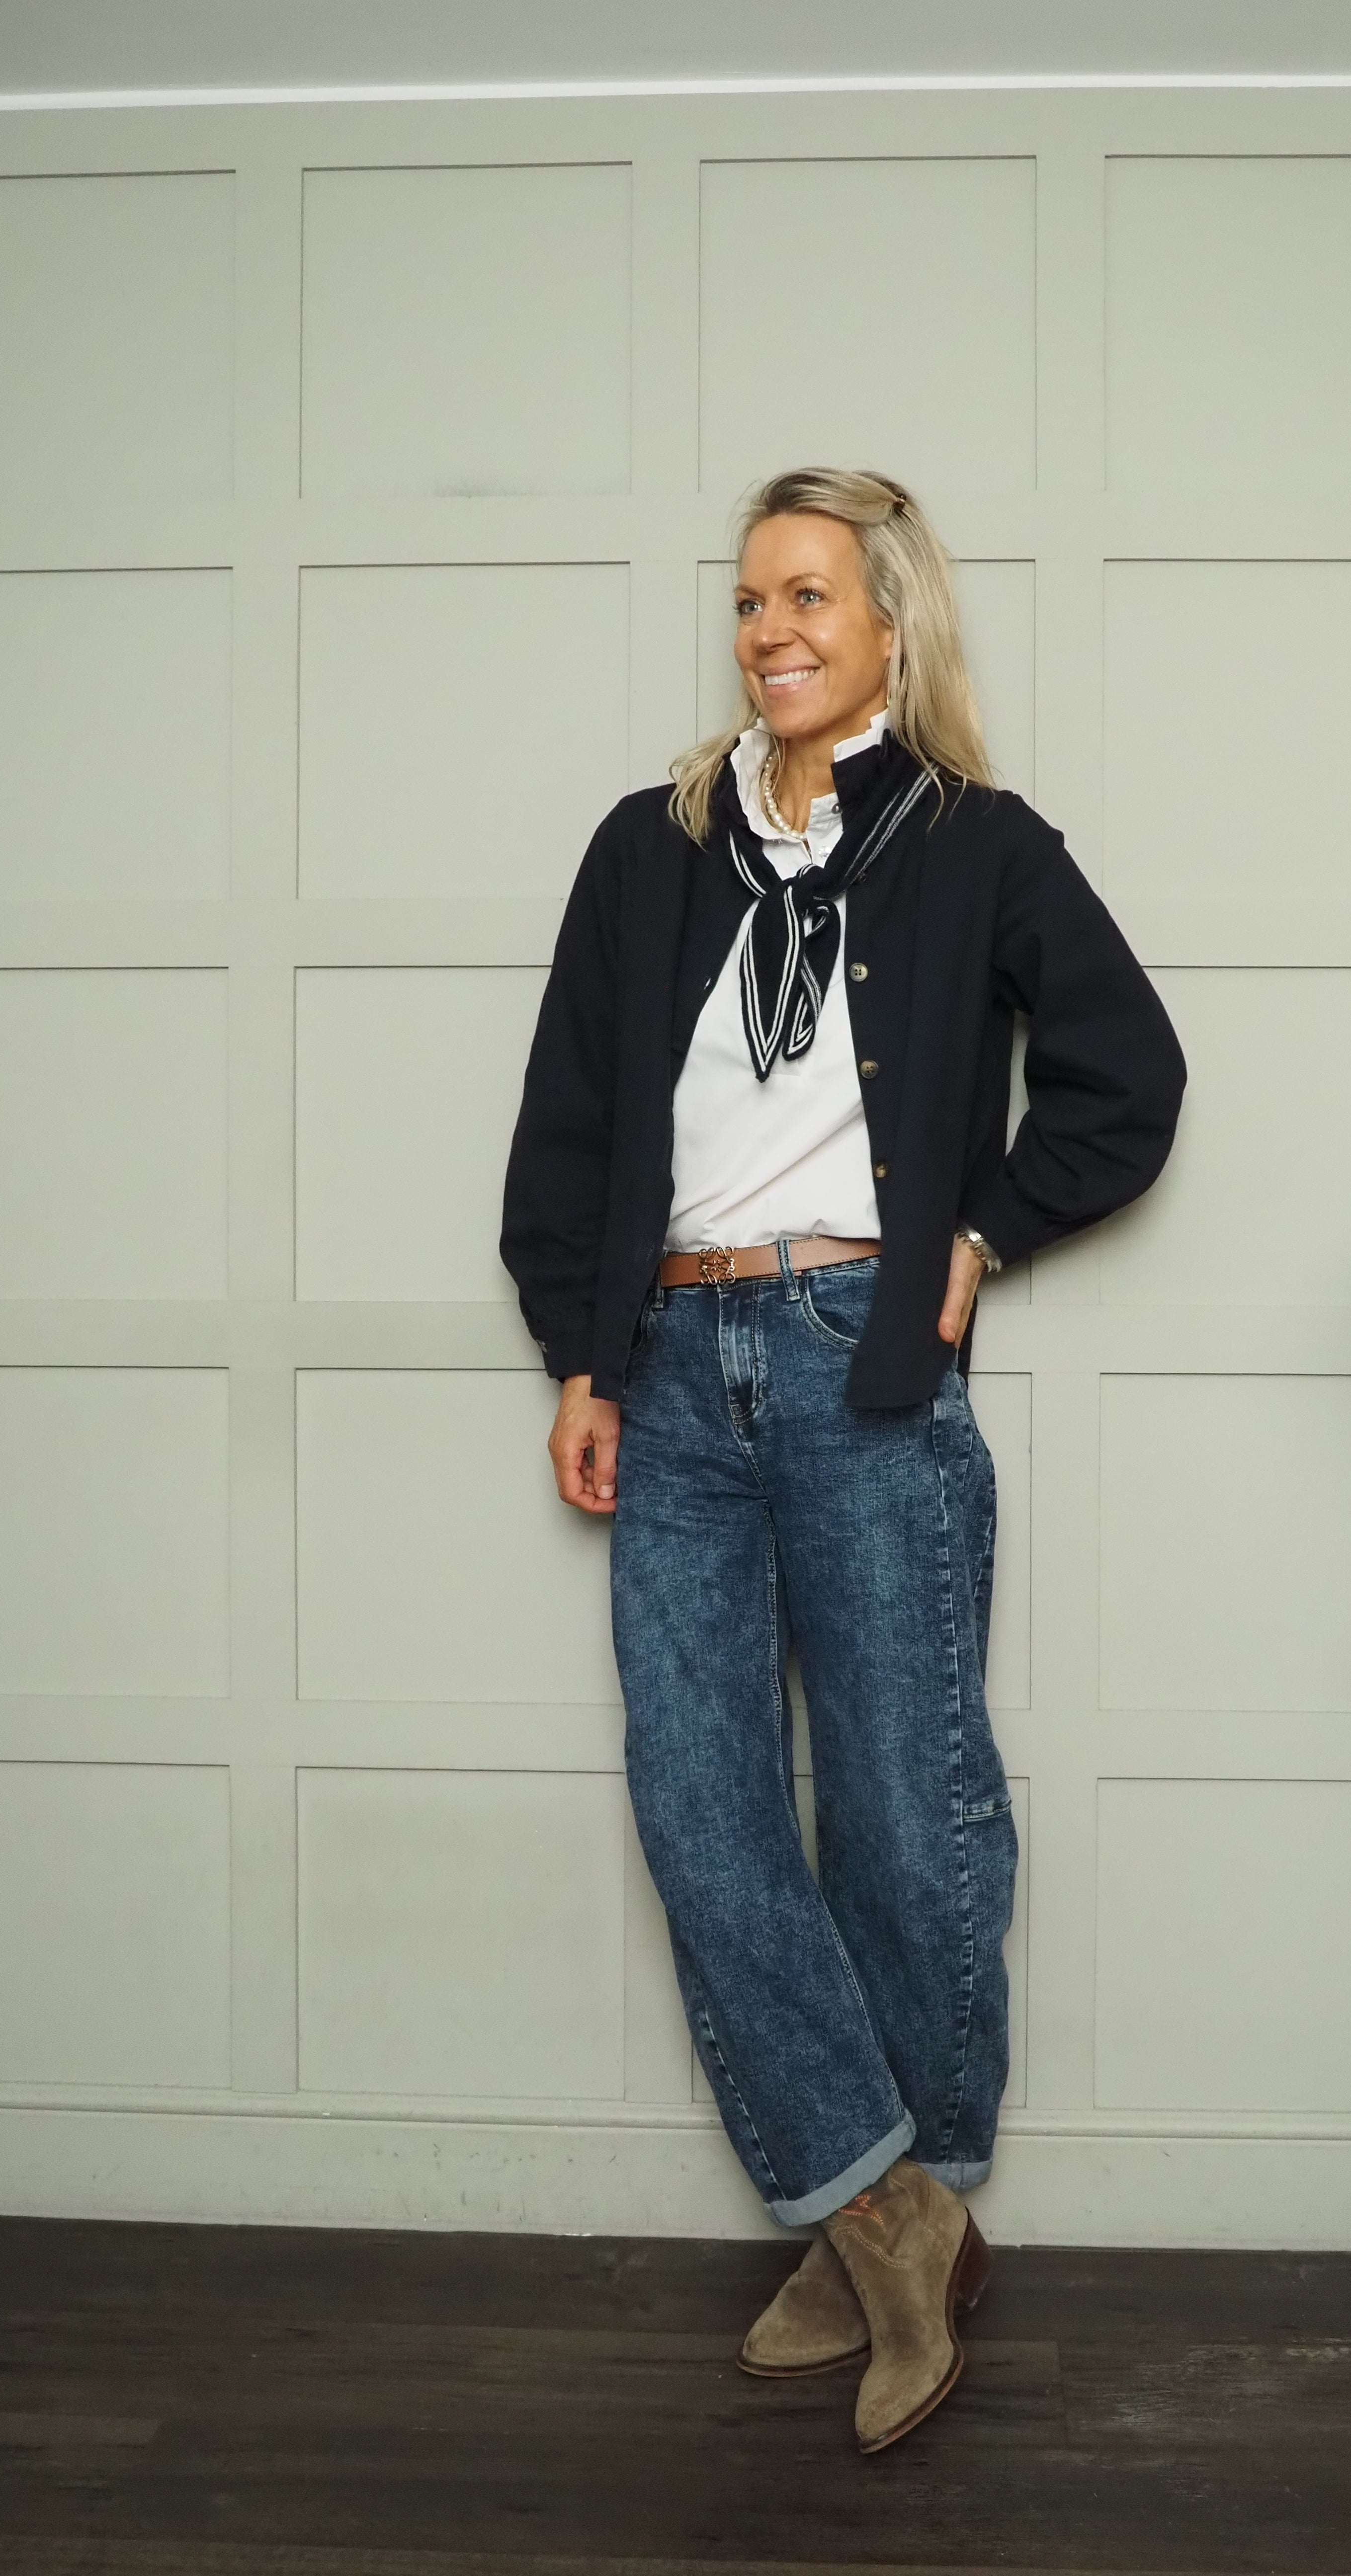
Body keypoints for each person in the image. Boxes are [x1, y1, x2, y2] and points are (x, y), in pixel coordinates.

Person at [500, 466, 1185, 2454]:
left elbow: (1128, 1080)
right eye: (748, 601)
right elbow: (569, 1118)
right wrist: (579, 1354)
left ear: (892, 619)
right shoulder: (650, 849)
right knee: (702, 1803)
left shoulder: (977, 846)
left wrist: (978, 1240)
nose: (769, 632)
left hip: (853, 1357)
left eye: (807, 596)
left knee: (902, 1801)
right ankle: (890, 2216)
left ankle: (912, 2194)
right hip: (669, 1359)